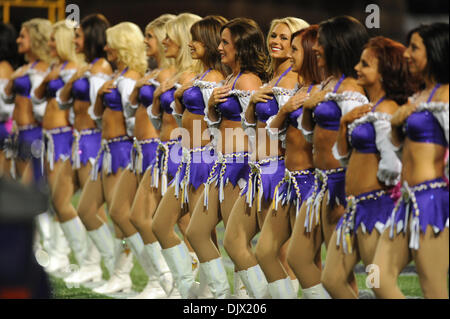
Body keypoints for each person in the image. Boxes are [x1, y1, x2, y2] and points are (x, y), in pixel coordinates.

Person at [321, 36, 415, 298]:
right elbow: (346, 159)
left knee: (378, 282)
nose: (357, 68)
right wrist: (343, 126)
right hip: (356, 209)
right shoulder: (370, 109)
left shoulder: (388, 111)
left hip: (377, 210)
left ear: (384, 71)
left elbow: (393, 164)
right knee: (332, 278)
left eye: (365, 64)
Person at [223, 17, 308, 299]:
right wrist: (251, 107)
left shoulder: (297, 80)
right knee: (236, 242)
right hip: (258, 170)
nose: (276, 41)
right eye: (274, 35)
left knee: (279, 253)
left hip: (278, 171)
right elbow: (252, 128)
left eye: (285, 38)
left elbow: (287, 131)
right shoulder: (272, 79)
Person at [286, 15, 369, 299]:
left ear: (338, 45)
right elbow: (311, 137)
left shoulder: (352, 89)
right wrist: (309, 108)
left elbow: (361, 144)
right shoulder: (330, 82)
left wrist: (349, 189)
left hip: (341, 186)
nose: (316, 49)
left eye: (321, 44)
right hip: (321, 184)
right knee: (298, 257)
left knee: (339, 273)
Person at [152, 15, 229, 299]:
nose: (190, 44)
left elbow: (223, 123)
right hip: (187, 159)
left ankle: (217, 295)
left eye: (196, 39)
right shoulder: (199, 76)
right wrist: (178, 98)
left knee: (203, 235)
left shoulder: (218, 79)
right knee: (160, 224)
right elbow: (181, 118)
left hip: (206, 161)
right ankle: (189, 290)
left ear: (208, 42)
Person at [372, 22, 449, 299]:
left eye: (414, 48)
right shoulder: (419, 95)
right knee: (378, 277)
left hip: (433, 204)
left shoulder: (446, 95)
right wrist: (395, 126)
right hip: (406, 203)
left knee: (434, 290)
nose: (406, 54)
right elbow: (399, 149)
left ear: (435, 53)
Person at [108, 14, 177, 299]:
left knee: (159, 220)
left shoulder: (166, 75)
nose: (145, 41)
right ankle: (158, 276)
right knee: (120, 213)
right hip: (139, 148)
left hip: (154, 149)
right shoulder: (152, 73)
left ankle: (168, 279)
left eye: (150, 36)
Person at [75, 21, 146, 295]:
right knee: (86, 209)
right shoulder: (118, 75)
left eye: (111, 43)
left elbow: (133, 119)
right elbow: (96, 116)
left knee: (120, 216)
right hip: (105, 148)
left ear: (123, 46)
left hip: (120, 150)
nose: (106, 48)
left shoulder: (131, 78)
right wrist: (101, 96)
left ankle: (128, 273)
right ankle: (109, 265)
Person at [256, 24, 322, 298]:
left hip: (310, 180)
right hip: (286, 178)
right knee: (267, 251)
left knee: (308, 260)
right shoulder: (298, 86)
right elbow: (270, 130)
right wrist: (282, 110)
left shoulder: (319, 89)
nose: (287, 50)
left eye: (293, 45)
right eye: (275, 36)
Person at [53, 14, 113, 286]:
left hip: (93, 140)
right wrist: (73, 79)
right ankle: (86, 261)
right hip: (77, 139)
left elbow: (98, 111)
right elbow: (63, 102)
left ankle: (101, 266)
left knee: (93, 208)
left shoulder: (101, 67)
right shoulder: (87, 67)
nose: (74, 40)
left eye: (78, 35)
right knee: (60, 199)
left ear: (90, 37)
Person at [31, 20, 83, 274]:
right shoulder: (56, 67)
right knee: (54, 198)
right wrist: (48, 79)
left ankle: (77, 257)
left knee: (63, 200)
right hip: (49, 137)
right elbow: (37, 97)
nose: (49, 44)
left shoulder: (75, 68)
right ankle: (59, 254)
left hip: (65, 137)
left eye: (54, 39)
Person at [0, 22, 19, 177]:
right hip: (5, 129)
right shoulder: (8, 68)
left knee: (4, 180)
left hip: (4, 129)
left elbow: (5, 108)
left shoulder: (3, 68)